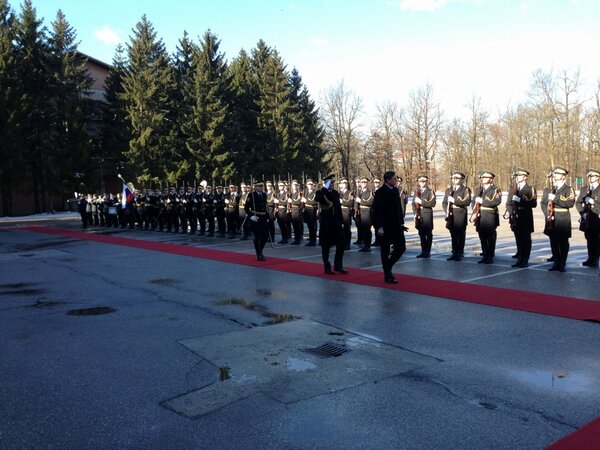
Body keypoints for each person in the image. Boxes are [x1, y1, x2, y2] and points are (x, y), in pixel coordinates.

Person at [373, 171, 407, 284]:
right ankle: (388, 274)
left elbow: (398, 208)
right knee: (385, 250)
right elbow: (377, 211)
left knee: (401, 247)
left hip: (396, 225)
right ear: (388, 180)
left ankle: (387, 266)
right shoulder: (380, 192)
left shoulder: (395, 190)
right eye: (394, 179)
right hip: (385, 226)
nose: (396, 180)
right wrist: (379, 227)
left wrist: (401, 223)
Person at [545, 166, 576, 272]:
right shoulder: (553, 188)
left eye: (557, 174)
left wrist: (555, 199)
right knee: (553, 241)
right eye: (555, 173)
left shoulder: (568, 189)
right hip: (552, 217)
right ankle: (556, 261)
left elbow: (570, 203)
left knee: (563, 242)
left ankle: (562, 262)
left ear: (563, 176)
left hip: (563, 218)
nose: (555, 175)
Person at [315, 174, 347, 274]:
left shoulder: (335, 193)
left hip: (336, 223)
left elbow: (338, 208)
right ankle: (327, 266)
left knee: (341, 243)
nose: (332, 184)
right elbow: (318, 198)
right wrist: (325, 187)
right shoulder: (320, 192)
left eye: (333, 183)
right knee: (325, 246)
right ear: (325, 183)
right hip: (326, 223)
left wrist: (341, 221)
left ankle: (338, 265)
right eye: (330, 183)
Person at [505, 168, 537, 268]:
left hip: (525, 216)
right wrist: (512, 213)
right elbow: (508, 203)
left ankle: (525, 259)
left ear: (525, 177)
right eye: (516, 176)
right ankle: (520, 258)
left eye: (519, 176)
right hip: (516, 216)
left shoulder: (530, 189)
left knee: (526, 239)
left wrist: (520, 200)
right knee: (518, 238)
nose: (517, 178)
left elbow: (533, 204)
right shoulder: (512, 189)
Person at [472, 171, 502, 264]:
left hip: (490, 215)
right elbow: (474, 202)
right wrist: (474, 212)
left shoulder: (496, 190)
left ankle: (490, 256)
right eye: (483, 177)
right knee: (482, 236)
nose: (483, 179)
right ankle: (485, 255)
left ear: (491, 179)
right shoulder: (479, 190)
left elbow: (496, 201)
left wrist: (483, 202)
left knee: (490, 237)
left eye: (486, 177)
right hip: (480, 215)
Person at [442, 171, 471, 261]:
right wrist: (447, 210)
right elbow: (444, 202)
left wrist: (454, 201)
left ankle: (460, 252)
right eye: (453, 178)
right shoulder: (448, 190)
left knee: (460, 234)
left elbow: (467, 202)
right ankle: (454, 252)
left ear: (462, 180)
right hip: (451, 214)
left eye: (457, 178)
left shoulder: (465, 190)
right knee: (453, 234)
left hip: (460, 214)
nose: (454, 180)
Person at [575, 169, 600, 268]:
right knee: (588, 238)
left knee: (597, 239)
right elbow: (578, 203)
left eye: (592, 176)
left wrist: (595, 203)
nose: (590, 178)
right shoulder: (584, 189)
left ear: (598, 177)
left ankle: (595, 259)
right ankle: (590, 258)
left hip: (597, 217)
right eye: (589, 176)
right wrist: (582, 213)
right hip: (587, 218)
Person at [412, 174, 436, 258]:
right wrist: (415, 213)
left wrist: (421, 202)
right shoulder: (416, 191)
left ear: (427, 182)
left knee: (428, 233)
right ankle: (423, 251)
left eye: (424, 181)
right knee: (421, 233)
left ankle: (427, 251)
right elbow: (413, 204)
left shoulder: (430, 191)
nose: (422, 182)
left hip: (427, 214)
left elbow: (432, 203)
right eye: (420, 181)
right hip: (419, 214)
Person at [244, 182, 270, 261]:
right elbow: (246, 207)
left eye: (262, 186)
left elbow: (265, 206)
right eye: (259, 186)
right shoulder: (251, 195)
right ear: (255, 187)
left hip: (263, 217)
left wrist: (267, 216)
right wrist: (251, 216)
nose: (261, 187)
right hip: (255, 217)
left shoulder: (264, 195)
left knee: (266, 235)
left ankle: (259, 251)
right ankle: (259, 254)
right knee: (257, 237)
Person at [356, 177, 374, 252]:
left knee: (367, 230)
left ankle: (367, 246)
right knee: (362, 229)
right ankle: (364, 244)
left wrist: (361, 201)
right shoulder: (359, 192)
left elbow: (370, 202)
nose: (363, 183)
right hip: (360, 212)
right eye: (362, 182)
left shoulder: (370, 192)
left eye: (365, 182)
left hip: (367, 212)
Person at [338, 178, 354, 250]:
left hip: (346, 211)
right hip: (340, 211)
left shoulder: (350, 192)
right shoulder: (339, 192)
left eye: (345, 183)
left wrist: (342, 201)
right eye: (342, 183)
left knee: (346, 229)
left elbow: (350, 203)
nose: (343, 184)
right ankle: (341, 242)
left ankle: (347, 244)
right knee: (340, 229)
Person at [302, 179, 318, 246]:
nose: (310, 185)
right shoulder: (306, 192)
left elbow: (314, 201)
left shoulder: (315, 192)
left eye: (311, 184)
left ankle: (313, 241)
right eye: (309, 184)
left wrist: (306, 201)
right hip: (307, 210)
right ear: (306, 185)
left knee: (312, 226)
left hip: (312, 210)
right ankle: (311, 239)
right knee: (309, 226)